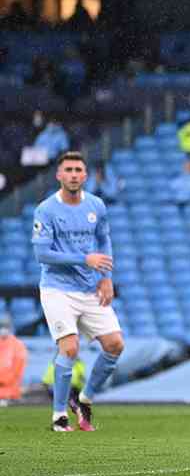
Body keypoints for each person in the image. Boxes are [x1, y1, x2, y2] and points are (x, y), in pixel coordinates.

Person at [32, 151, 125, 432]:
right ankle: (59, 415)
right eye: (68, 169)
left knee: (115, 345)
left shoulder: (96, 205)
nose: (73, 174)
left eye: (78, 170)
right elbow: (42, 254)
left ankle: (84, 399)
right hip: (58, 289)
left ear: (85, 176)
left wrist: (106, 277)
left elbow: (103, 241)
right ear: (59, 175)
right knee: (69, 347)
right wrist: (84, 259)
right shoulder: (46, 209)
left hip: (89, 287)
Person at [0, 315, 27, 406]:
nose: (3, 329)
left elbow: (19, 367)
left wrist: (6, 379)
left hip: (10, 388)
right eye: (1, 326)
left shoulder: (17, 344)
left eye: (5, 327)